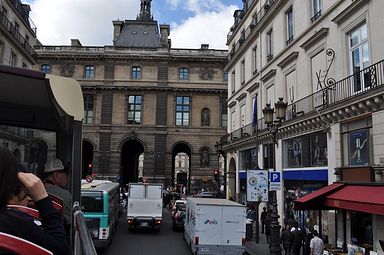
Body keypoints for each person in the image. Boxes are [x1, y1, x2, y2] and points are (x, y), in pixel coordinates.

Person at [0, 146, 69, 255]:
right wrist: (42, 198)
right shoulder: (15, 223)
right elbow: (61, 249)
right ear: (12, 196)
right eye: (26, 193)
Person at [43, 158, 72, 234]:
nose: (68, 178)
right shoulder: (65, 195)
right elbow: (70, 223)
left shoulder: (34, 190)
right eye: (67, 174)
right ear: (56, 175)